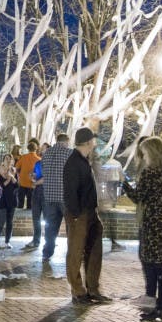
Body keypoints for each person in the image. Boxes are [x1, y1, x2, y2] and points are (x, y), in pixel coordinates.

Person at [122, 137, 162, 320]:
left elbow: (138, 196)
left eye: (146, 152)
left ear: (152, 152)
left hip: (154, 223)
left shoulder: (150, 172)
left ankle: (161, 307)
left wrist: (123, 184)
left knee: (158, 266)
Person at [63, 127, 110, 306]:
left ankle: (93, 288)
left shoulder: (83, 160)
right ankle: (78, 291)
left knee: (94, 250)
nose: (95, 144)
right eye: (93, 141)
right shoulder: (74, 162)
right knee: (76, 252)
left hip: (90, 212)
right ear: (89, 142)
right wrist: (75, 215)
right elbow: (70, 191)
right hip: (80, 214)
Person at [39, 134, 73, 261]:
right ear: (66, 142)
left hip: (49, 196)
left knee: (50, 227)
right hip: (65, 196)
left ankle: (47, 253)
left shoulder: (46, 154)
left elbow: (43, 172)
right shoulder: (70, 154)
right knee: (71, 227)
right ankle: (73, 253)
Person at [0, 154, 19, 248]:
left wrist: (12, 177)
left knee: (10, 222)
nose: (8, 161)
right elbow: (1, 185)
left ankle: (7, 241)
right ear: (3, 160)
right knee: (0, 222)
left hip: (12, 199)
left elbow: (17, 185)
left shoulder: (14, 171)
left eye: (10, 159)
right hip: (2, 199)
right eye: (6, 159)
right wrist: (9, 178)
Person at [15, 141, 40, 211]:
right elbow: (40, 173)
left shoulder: (23, 157)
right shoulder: (39, 159)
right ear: (36, 149)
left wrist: (19, 176)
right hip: (33, 184)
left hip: (22, 182)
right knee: (30, 205)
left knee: (20, 204)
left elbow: (17, 168)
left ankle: (18, 220)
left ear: (28, 149)